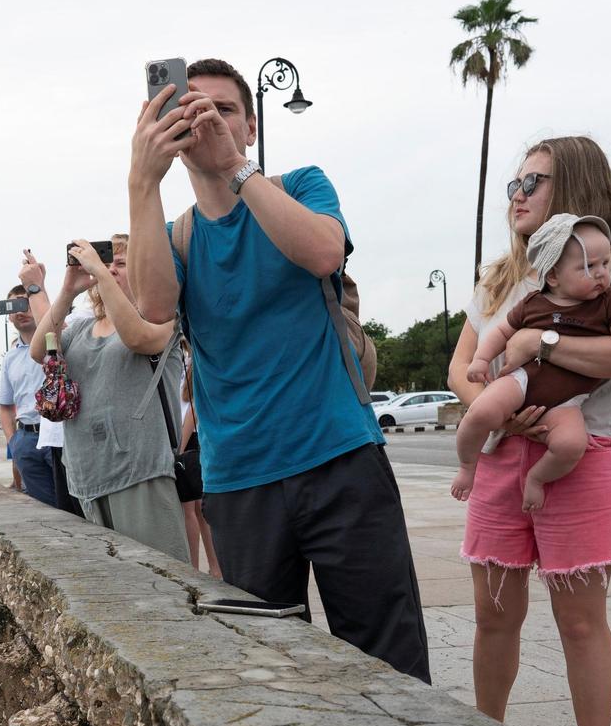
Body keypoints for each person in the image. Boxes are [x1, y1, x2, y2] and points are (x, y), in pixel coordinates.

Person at [126, 57, 429, 683]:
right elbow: (152, 310)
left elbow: (324, 251)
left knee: (387, 659)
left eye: (224, 109)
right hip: (239, 481)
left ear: (252, 126)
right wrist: (141, 182)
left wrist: (234, 170)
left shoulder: (301, 185)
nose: (204, 117)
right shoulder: (176, 235)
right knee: (272, 672)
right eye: (188, 106)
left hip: (342, 458)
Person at [448, 136, 611, 726]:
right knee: (493, 617)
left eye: (533, 182)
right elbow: (464, 368)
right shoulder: (503, 276)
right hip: (500, 453)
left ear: (573, 187)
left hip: (583, 455)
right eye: (513, 184)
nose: (516, 194)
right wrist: (499, 399)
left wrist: (536, 340)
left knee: (579, 623)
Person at [452, 214, 611, 510]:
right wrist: (481, 360)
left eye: (605, 264)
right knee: (481, 412)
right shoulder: (534, 302)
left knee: (571, 445)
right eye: (588, 266)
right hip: (520, 381)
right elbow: (501, 332)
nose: (600, 274)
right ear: (554, 275)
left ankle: (537, 479)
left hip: (568, 402)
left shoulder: (608, 303)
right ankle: (468, 466)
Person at [31, 235, 190, 562]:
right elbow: (38, 350)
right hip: (86, 475)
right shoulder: (80, 327)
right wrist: (68, 290)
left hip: (140, 471)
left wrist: (101, 275)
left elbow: (137, 338)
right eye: (107, 263)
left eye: (121, 264)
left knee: (160, 581)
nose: (110, 270)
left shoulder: (161, 321)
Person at [0, 259, 57, 507]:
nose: (20, 311)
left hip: (57, 435)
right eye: (14, 306)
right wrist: (14, 442)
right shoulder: (10, 359)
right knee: (44, 508)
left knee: (72, 505)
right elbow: (4, 405)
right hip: (27, 439)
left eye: (26, 303)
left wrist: (38, 286)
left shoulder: (58, 341)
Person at [178, 345, 221, 577]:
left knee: (190, 511)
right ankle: (214, 566)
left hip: (189, 441)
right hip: (196, 441)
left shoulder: (190, 364)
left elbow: (191, 411)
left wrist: (179, 447)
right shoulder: (192, 362)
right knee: (199, 510)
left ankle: (194, 567)